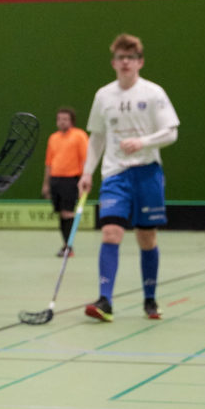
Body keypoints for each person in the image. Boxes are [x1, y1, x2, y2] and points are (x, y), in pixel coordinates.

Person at [78, 33, 180, 322]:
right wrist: (87, 172)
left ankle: (150, 299)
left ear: (140, 62)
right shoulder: (103, 96)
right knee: (111, 232)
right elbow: (97, 137)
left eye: (131, 58)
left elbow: (171, 132)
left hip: (147, 172)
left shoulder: (153, 93)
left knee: (146, 237)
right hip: (115, 175)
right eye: (121, 58)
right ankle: (105, 301)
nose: (126, 62)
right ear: (113, 62)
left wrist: (143, 142)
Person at [42, 108, 89, 257]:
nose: (61, 122)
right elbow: (49, 163)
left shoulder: (79, 136)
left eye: (65, 119)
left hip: (71, 180)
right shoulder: (53, 138)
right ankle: (65, 245)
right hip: (55, 180)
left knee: (68, 213)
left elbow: (85, 159)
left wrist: (84, 179)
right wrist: (46, 184)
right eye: (59, 119)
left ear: (71, 121)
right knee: (61, 214)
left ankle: (68, 247)